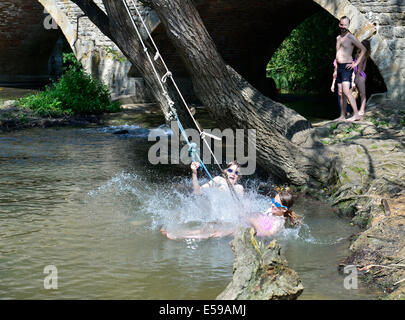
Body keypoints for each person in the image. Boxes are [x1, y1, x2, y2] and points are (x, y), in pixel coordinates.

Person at [161, 191, 299, 240]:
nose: (273, 204)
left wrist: (254, 221)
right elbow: (258, 217)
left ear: (284, 210)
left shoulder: (279, 222)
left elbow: (268, 235)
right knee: (213, 224)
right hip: (243, 226)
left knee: (215, 232)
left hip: (245, 233)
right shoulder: (272, 212)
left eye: (277, 204)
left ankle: (179, 236)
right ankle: (183, 231)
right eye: (273, 200)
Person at [334, 16, 366, 122]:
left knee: (346, 92)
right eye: (341, 24)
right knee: (341, 94)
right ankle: (342, 116)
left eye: (344, 25)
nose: (342, 26)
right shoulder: (338, 38)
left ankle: (356, 114)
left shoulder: (350, 37)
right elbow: (337, 54)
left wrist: (355, 63)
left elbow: (363, 49)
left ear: (348, 26)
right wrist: (335, 69)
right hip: (339, 68)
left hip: (347, 67)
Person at [353, 40, 371, 116]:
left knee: (362, 93)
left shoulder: (363, 55)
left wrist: (356, 78)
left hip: (360, 75)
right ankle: (356, 110)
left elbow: (360, 68)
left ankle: (362, 110)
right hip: (356, 74)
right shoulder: (358, 53)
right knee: (356, 93)